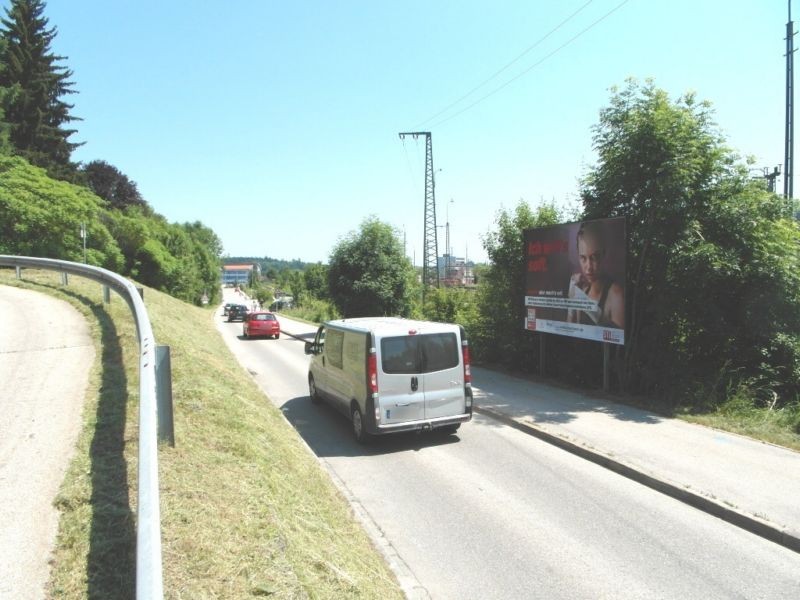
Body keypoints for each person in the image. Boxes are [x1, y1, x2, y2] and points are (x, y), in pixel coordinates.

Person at [566, 221, 625, 329]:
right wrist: (572, 300)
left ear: (604, 254)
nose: (589, 267)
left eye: (594, 257)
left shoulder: (616, 295)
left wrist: (582, 300)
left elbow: (617, 336)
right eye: (583, 258)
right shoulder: (583, 290)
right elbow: (571, 329)